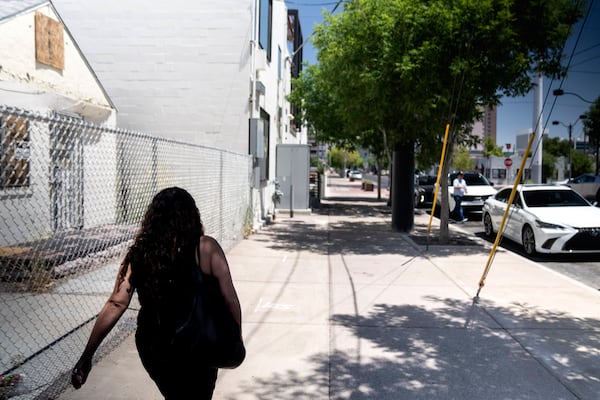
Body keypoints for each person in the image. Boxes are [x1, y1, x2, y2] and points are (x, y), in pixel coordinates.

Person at [71, 187, 243, 399]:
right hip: (199, 345)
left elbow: (116, 303)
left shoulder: (140, 254)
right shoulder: (205, 248)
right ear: (191, 216)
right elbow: (230, 298)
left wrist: (87, 356)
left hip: (156, 347)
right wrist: (235, 336)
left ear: (154, 219)